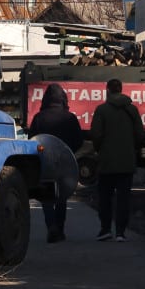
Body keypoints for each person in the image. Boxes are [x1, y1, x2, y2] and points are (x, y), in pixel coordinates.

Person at [27, 83, 83, 243]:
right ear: (63, 99)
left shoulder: (39, 117)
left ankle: (51, 225)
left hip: (44, 162)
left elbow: (32, 140)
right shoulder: (70, 117)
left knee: (46, 196)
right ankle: (60, 228)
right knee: (61, 196)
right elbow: (79, 140)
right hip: (64, 162)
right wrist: (69, 152)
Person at [90, 77, 145, 241]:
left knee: (105, 197)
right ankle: (121, 232)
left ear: (107, 90)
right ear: (121, 89)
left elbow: (96, 135)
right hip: (127, 161)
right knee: (123, 199)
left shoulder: (101, 110)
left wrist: (100, 149)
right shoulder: (132, 110)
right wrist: (131, 149)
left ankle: (105, 229)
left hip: (106, 161)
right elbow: (140, 135)